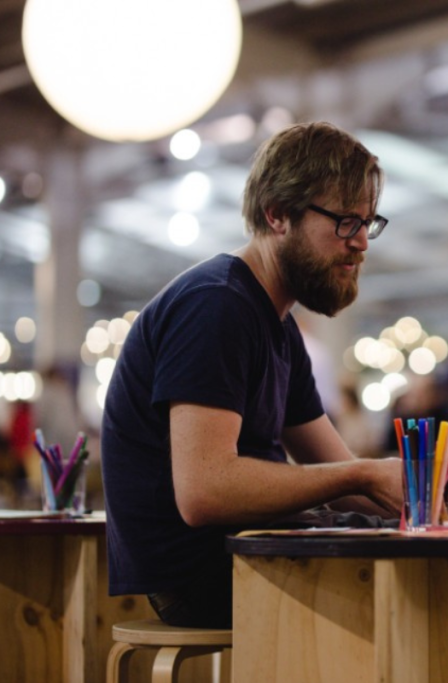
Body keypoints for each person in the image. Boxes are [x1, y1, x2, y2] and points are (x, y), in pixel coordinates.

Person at [101, 122, 403, 629]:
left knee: (429, 554)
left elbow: (339, 476)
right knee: (421, 593)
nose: (360, 244)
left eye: (368, 224)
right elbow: (205, 491)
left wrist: (415, 498)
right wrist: (364, 475)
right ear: (277, 214)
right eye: (345, 222)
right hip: (202, 572)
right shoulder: (216, 305)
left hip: (247, 552)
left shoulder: (278, 327)